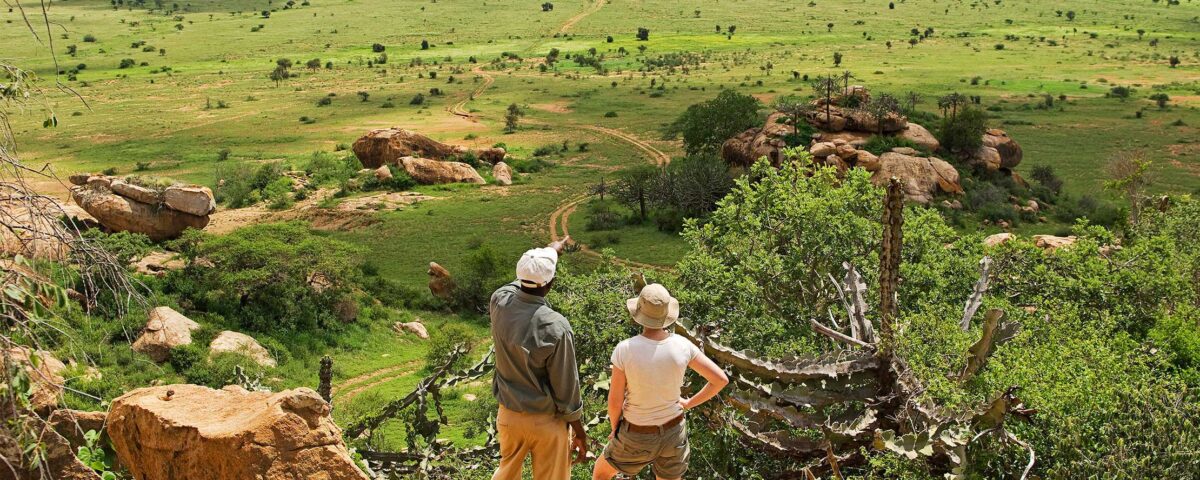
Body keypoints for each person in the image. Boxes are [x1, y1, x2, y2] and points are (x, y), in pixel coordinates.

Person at [592, 283, 729, 480]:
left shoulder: (625, 349)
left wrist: (615, 429)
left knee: (602, 473)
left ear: (639, 313)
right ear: (666, 315)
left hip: (636, 433)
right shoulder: (683, 346)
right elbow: (720, 380)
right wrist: (689, 403)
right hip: (674, 431)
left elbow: (614, 402)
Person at [490, 236, 589, 480]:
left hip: (509, 415)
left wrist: (549, 251)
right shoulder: (556, 326)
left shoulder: (499, 301)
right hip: (546, 421)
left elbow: (523, 281)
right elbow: (566, 388)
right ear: (551, 283)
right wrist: (579, 430)